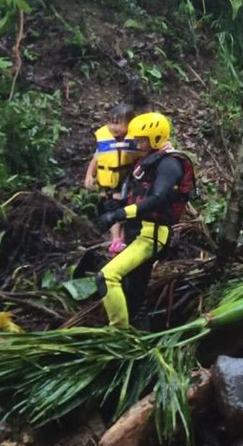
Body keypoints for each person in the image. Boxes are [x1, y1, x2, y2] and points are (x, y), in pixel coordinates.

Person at [94, 112, 196, 329]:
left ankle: (119, 332)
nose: (138, 143)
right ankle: (141, 333)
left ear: (156, 138)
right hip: (137, 232)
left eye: (142, 139)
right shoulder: (147, 164)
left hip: (151, 235)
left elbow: (158, 199)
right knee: (134, 290)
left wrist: (120, 215)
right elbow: (139, 198)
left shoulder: (169, 164)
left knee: (107, 277)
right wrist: (117, 207)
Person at [84, 104, 140, 254]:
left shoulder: (136, 139)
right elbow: (96, 159)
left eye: (118, 123)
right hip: (109, 184)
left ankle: (123, 238)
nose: (113, 127)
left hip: (128, 182)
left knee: (125, 210)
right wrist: (89, 175)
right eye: (110, 122)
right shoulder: (105, 140)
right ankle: (116, 239)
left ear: (130, 124)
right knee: (111, 207)